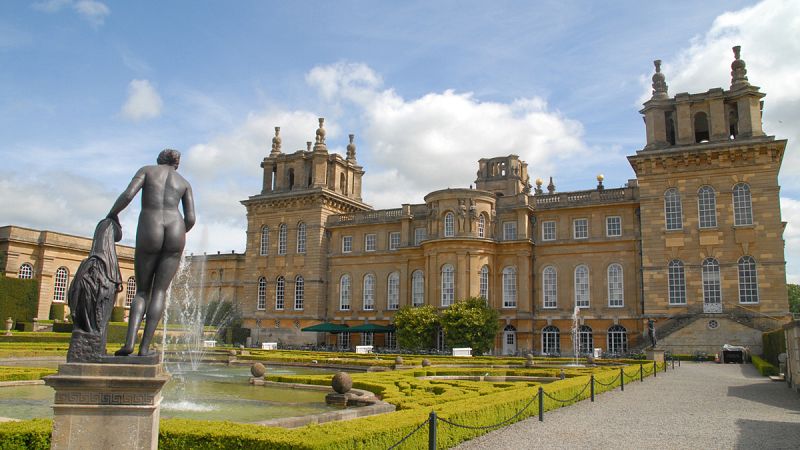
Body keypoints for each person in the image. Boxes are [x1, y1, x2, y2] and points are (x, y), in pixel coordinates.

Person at [109, 149, 195, 357]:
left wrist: (112, 214)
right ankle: (144, 348)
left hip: (151, 224)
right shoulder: (184, 183)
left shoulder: (147, 171)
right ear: (177, 164)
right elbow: (190, 218)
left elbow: (128, 195)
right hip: (176, 228)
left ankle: (129, 344)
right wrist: (179, 234)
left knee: (142, 291)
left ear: (159, 160)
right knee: (159, 292)